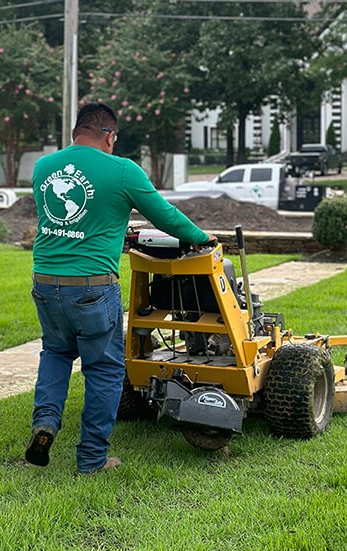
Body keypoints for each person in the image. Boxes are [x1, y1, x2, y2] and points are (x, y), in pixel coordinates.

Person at [25, 103, 214, 474]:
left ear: (76, 133)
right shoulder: (122, 170)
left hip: (45, 281)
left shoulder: (44, 167)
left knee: (56, 354)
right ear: (110, 136)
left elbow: (69, 223)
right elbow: (165, 216)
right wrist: (200, 237)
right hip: (92, 288)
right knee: (104, 370)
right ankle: (92, 458)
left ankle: (45, 424)